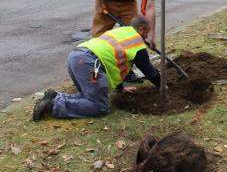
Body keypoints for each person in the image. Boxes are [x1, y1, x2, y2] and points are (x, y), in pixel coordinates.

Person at [32, 14, 160, 121]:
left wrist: (121, 88)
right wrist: (162, 84)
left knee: (89, 97)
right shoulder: (137, 42)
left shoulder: (121, 31)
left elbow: (113, 59)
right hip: (91, 64)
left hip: (77, 57)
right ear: (141, 29)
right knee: (100, 106)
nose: (147, 37)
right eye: (147, 33)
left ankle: (54, 96)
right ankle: (52, 105)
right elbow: (149, 71)